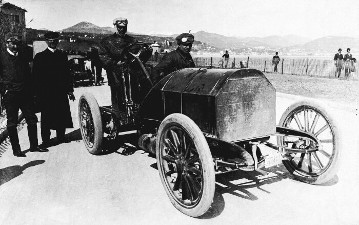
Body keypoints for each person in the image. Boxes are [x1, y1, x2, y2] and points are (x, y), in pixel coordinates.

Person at [0, 35, 47, 157]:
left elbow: (28, 74)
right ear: (7, 44)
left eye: (17, 44)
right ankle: (16, 150)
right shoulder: (2, 57)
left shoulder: (22, 56)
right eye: (13, 44)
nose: (15, 46)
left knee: (31, 119)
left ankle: (34, 146)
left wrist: (32, 92)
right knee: (12, 123)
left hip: (25, 94)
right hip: (10, 94)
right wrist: (4, 91)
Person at [99, 17, 152, 118]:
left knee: (137, 89)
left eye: (124, 27)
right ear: (116, 27)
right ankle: (118, 116)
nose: (122, 29)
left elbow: (139, 57)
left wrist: (147, 52)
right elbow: (103, 56)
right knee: (118, 92)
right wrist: (114, 63)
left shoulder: (132, 40)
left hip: (131, 71)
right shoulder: (107, 41)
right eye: (119, 27)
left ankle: (137, 113)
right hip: (115, 72)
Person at [32, 31, 75, 147]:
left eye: (55, 40)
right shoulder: (40, 57)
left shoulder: (62, 55)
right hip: (46, 93)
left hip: (60, 92)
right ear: (47, 42)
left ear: (58, 41)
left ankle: (61, 137)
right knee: (46, 117)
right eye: (50, 41)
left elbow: (67, 74)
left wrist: (70, 90)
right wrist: (36, 94)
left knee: (61, 114)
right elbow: (35, 77)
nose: (53, 43)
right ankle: (45, 141)